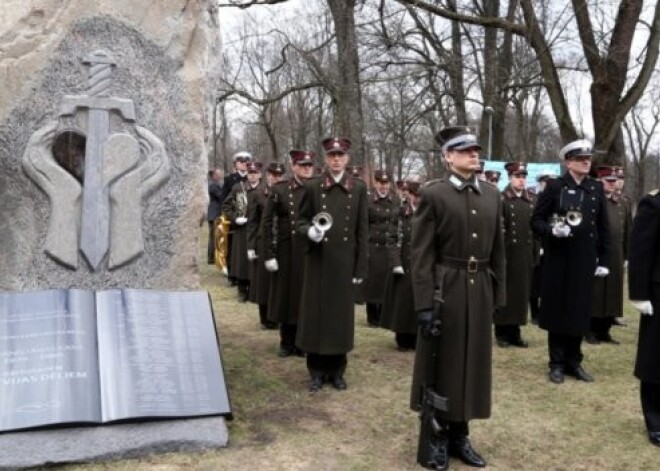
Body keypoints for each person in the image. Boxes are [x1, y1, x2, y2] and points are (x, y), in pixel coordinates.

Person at [410, 126, 505, 470]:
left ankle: (460, 435)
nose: (473, 155)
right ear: (448, 156)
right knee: (446, 363)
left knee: (473, 364)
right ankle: (437, 436)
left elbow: (499, 252)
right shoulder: (433, 194)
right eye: (464, 151)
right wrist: (423, 303)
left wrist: (498, 295)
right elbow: (420, 254)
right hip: (444, 289)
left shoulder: (493, 195)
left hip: (479, 287)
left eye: (476, 150)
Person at [531, 139, 610, 384]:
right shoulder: (555, 187)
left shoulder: (595, 188)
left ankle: (574, 362)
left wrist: (604, 259)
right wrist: (552, 231)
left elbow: (604, 227)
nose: (586, 162)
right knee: (558, 309)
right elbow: (536, 221)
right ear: (568, 162)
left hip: (585, 257)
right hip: (558, 256)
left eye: (588, 159)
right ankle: (556, 363)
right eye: (580, 159)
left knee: (579, 309)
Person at [296, 137, 368, 392]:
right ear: (326, 159)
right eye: (332, 155)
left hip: (344, 262)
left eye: (341, 155)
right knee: (317, 316)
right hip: (319, 260)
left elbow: (362, 231)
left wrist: (360, 268)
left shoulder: (358, 188)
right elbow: (300, 221)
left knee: (340, 318)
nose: (336, 159)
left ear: (347, 159)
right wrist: (310, 233)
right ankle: (316, 371)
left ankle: (337, 371)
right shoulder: (313, 186)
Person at [263, 150, 316, 357]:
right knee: (286, 297)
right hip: (286, 251)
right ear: (293, 167)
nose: (306, 169)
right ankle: (286, 342)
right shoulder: (280, 190)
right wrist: (268, 254)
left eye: (309, 165)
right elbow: (268, 223)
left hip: (310, 251)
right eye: (302, 165)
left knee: (306, 298)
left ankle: (303, 342)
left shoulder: (318, 189)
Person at [628, 189, 660, 448]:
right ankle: (655, 420)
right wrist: (639, 294)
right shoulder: (653, 203)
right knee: (655, 357)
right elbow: (640, 250)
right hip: (658, 292)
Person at [587, 166, 631, 344]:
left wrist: (627, 255)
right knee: (595, 293)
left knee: (612, 292)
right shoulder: (592, 201)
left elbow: (628, 230)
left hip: (616, 254)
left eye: (614, 181)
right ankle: (590, 330)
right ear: (600, 181)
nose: (613, 184)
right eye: (609, 181)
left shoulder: (622, 203)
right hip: (596, 254)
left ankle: (605, 330)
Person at [494, 162, 535, 348]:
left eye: (524, 177)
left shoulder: (530, 200)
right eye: (518, 176)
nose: (521, 180)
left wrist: (535, 252)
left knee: (520, 295)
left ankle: (515, 332)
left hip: (525, 255)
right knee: (506, 294)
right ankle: (502, 332)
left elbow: (533, 230)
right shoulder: (502, 199)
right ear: (510, 178)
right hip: (507, 254)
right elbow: (498, 230)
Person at [380, 180, 421, 351]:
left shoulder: (427, 213)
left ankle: (418, 336)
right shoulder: (400, 212)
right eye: (416, 195)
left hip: (420, 262)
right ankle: (403, 337)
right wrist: (396, 263)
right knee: (403, 302)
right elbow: (392, 238)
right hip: (403, 260)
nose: (418, 199)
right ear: (409, 195)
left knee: (419, 300)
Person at [247, 162, 285, 329]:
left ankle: (277, 316)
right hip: (263, 241)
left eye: (279, 175)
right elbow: (253, 222)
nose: (276, 178)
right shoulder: (258, 194)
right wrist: (250, 246)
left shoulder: (286, 192)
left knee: (278, 281)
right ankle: (265, 318)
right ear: (268, 175)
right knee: (264, 281)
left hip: (281, 240)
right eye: (273, 175)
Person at [360, 169, 399, 327]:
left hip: (388, 246)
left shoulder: (395, 201)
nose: (383, 187)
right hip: (373, 245)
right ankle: (372, 316)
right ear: (375, 183)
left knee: (386, 283)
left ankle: (385, 315)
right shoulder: (368, 201)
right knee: (373, 283)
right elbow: (363, 224)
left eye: (386, 183)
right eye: (380, 183)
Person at [222, 160, 255, 302]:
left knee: (255, 261)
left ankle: (254, 289)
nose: (252, 176)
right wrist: (235, 219)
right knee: (242, 261)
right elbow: (226, 206)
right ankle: (242, 291)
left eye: (254, 173)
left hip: (257, 228)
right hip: (242, 229)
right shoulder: (238, 187)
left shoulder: (265, 188)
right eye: (250, 172)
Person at [529, 171, 556, 325]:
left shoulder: (555, 198)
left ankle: (546, 310)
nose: (549, 184)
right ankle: (534, 312)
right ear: (541, 182)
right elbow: (531, 223)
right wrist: (537, 246)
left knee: (547, 281)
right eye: (547, 181)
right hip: (536, 245)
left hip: (551, 244)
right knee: (535, 281)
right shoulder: (534, 198)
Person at [207, 168, 224, 264]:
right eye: (218, 174)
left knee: (214, 236)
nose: (220, 176)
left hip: (214, 214)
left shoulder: (214, 184)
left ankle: (212, 257)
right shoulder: (213, 185)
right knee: (213, 237)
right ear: (213, 176)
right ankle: (211, 258)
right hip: (214, 214)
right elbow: (221, 197)